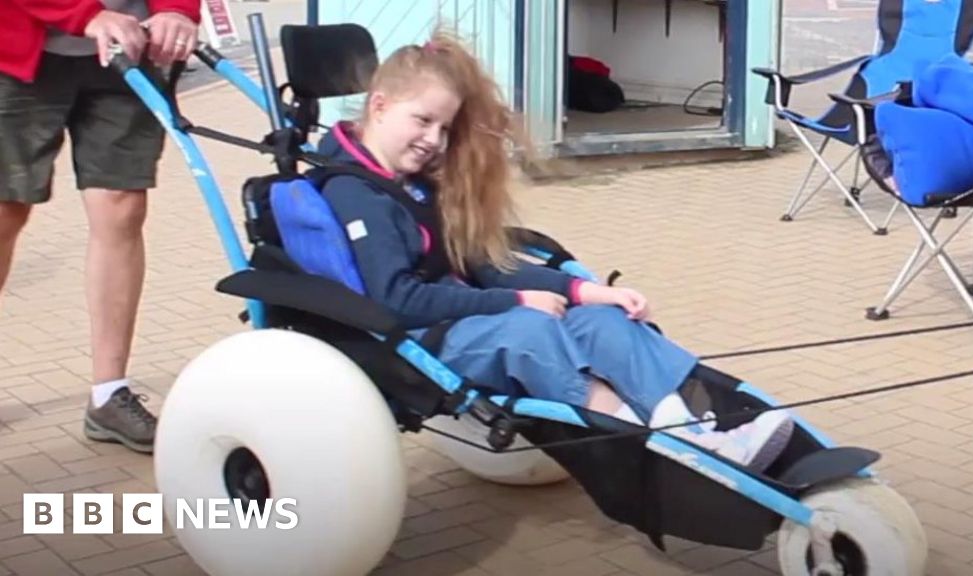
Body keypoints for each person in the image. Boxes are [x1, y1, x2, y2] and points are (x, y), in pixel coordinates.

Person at [306, 30, 795, 472]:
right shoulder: (357, 194)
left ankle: (699, 436)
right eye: (423, 120)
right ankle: (666, 450)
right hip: (424, 339)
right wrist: (516, 302)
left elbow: (488, 268)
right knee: (531, 328)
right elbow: (398, 300)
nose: (434, 139)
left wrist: (586, 291)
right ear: (379, 105)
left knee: (607, 321)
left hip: (474, 318)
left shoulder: (414, 186)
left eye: (445, 128)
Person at [0, 0, 201, 453]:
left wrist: (177, 10)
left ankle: (109, 394)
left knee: (122, 205)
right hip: (20, 44)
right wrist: (84, 14)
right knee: (6, 210)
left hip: (127, 46)